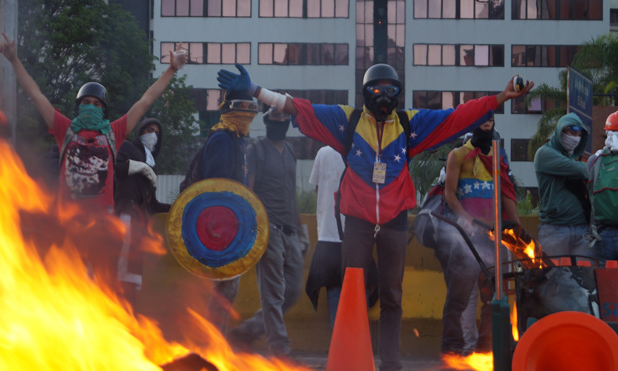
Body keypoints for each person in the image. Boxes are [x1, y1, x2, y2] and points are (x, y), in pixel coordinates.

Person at [217, 62, 533, 370]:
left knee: (392, 294)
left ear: (398, 93)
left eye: (391, 90)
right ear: (367, 92)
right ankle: (350, 361)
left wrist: (500, 98)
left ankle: (390, 363)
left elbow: (455, 116)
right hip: (357, 220)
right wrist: (256, 90)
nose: (384, 96)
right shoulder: (348, 121)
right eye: (377, 90)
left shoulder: (410, 124)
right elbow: (298, 107)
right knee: (352, 288)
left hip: (395, 220)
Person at [0, 32, 186, 213]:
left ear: (103, 110)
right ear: (79, 106)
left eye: (96, 104)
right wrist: (14, 60)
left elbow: (145, 102)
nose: (91, 107)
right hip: (68, 223)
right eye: (86, 103)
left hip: (103, 226)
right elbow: (36, 96)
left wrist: (171, 70)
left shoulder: (113, 133)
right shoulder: (65, 130)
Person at [228, 103, 304, 358]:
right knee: (273, 293)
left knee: (292, 290)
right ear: (268, 119)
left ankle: (246, 332)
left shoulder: (291, 151)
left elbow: (291, 192)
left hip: (290, 230)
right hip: (267, 229)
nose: (279, 119)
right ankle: (279, 347)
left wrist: (300, 229)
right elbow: (248, 191)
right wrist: (253, 230)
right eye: (275, 115)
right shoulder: (256, 149)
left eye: (283, 115)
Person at [441, 117, 520, 355]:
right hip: (469, 233)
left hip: (495, 234)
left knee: (495, 291)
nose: (487, 121)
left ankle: (487, 346)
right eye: (482, 117)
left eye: (491, 118)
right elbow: (450, 194)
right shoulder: (457, 155)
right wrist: (466, 218)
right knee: (467, 292)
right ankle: (466, 345)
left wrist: (516, 226)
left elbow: (506, 191)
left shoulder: (498, 157)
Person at [200, 90, 259, 334]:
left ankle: (216, 343)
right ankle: (211, 345)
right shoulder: (222, 138)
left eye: (250, 107)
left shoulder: (238, 139)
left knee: (229, 290)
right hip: (220, 228)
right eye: (240, 107)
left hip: (234, 226)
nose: (245, 113)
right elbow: (216, 189)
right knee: (222, 290)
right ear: (227, 108)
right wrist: (222, 229)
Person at [113, 118, 171, 304]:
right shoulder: (128, 147)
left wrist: (176, 208)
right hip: (124, 213)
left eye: (156, 132)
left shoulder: (153, 163)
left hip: (140, 222)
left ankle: (130, 307)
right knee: (121, 264)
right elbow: (115, 168)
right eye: (148, 130)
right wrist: (142, 167)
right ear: (140, 132)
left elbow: (151, 203)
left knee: (134, 268)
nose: (152, 135)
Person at [534, 113, 591, 257]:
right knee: (554, 277)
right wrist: (600, 165)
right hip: (555, 230)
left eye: (579, 135)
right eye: (571, 133)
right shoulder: (545, 154)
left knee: (584, 278)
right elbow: (582, 170)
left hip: (582, 230)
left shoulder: (572, 159)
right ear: (560, 131)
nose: (575, 138)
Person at [305, 145, 345, 331]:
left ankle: (338, 342)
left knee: (333, 286)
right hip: (357, 232)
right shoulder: (363, 145)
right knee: (361, 284)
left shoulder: (324, 152)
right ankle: (358, 341)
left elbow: (317, 188)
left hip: (328, 232)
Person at [587, 111, 618, 263]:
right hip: (602, 233)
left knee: (604, 283)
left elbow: (589, 194)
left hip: (602, 234)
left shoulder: (595, 160)